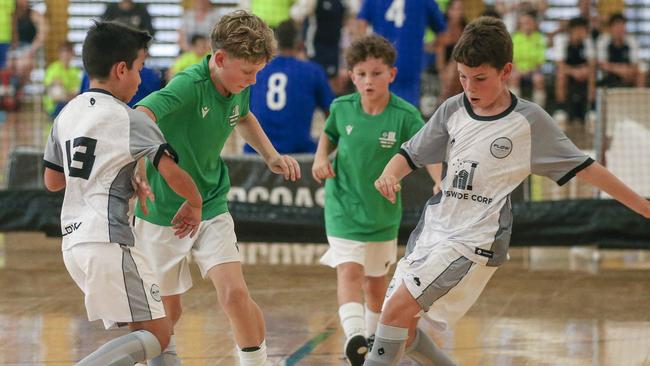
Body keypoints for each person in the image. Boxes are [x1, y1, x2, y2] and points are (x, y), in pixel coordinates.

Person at [367, 16, 650, 366]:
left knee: (395, 311)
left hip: (474, 241)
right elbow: (410, 153)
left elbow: (587, 168)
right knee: (402, 328)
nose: (470, 87)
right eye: (462, 77)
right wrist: (389, 174)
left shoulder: (529, 123)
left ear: (506, 71)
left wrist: (643, 206)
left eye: (480, 78)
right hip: (434, 229)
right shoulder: (453, 109)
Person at [132, 10, 301, 366]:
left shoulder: (235, 84)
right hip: (163, 213)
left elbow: (243, 115)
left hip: (210, 204)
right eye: (249, 72)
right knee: (168, 310)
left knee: (234, 293)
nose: (254, 81)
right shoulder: (187, 86)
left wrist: (270, 155)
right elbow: (140, 115)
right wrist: (139, 164)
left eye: (258, 72)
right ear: (220, 58)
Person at [42, 21, 203, 366]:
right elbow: (172, 173)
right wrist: (194, 202)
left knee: (154, 328)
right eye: (140, 68)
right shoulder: (130, 118)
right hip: (109, 238)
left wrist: (114, 171)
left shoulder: (66, 114)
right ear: (121, 69)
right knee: (158, 334)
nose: (142, 79)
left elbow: (53, 181)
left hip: (73, 243)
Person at [312, 34, 439, 366]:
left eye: (376, 73)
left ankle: (371, 342)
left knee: (375, 284)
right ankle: (354, 337)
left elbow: (427, 150)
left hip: (382, 213)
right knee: (348, 270)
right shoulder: (341, 108)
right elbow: (328, 135)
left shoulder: (405, 114)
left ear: (391, 75)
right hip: (342, 206)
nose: (369, 80)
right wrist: (320, 158)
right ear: (352, 76)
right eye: (361, 74)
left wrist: (440, 182)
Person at [247, 19, 334, 154]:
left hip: (256, 153)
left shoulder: (257, 69)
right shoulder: (313, 71)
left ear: (273, 44)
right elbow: (332, 116)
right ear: (300, 44)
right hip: (298, 154)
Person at [355, 0, 446, 108]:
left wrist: (365, 56)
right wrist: (429, 46)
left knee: (377, 111)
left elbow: (361, 24)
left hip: (380, 65)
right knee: (406, 112)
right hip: (410, 64)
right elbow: (442, 32)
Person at [553, 16, 596, 125]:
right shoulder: (561, 40)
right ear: (571, 30)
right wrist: (574, 72)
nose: (581, 33)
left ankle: (591, 109)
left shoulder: (588, 41)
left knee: (592, 73)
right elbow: (560, 64)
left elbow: (591, 64)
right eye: (578, 30)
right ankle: (560, 109)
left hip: (583, 72)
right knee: (560, 74)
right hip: (568, 72)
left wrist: (584, 70)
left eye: (583, 30)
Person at [596, 13, 645, 88]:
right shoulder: (603, 41)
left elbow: (635, 65)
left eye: (622, 26)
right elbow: (602, 64)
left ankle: (639, 98)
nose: (619, 29)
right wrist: (619, 70)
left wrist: (626, 71)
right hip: (611, 74)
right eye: (617, 26)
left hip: (628, 74)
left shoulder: (632, 41)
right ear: (610, 28)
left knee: (641, 74)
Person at [510, 10, 546, 107]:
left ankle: (538, 110)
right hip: (518, 70)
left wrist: (532, 70)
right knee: (514, 77)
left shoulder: (539, 38)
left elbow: (541, 59)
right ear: (520, 25)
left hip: (534, 71)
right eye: (524, 23)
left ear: (534, 24)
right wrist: (519, 70)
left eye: (529, 23)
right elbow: (513, 59)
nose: (527, 26)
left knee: (538, 79)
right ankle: (514, 109)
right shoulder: (515, 38)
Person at [43, 42, 81, 119]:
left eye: (68, 52)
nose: (66, 55)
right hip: (55, 107)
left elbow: (77, 91)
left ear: (72, 54)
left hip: (70, 103)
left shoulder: (75, 71)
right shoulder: (53, 69)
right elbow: (54, 94)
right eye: (64, 52)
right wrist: (68, 94)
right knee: (56, 89)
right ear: (59, 54)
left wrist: (67, 94)